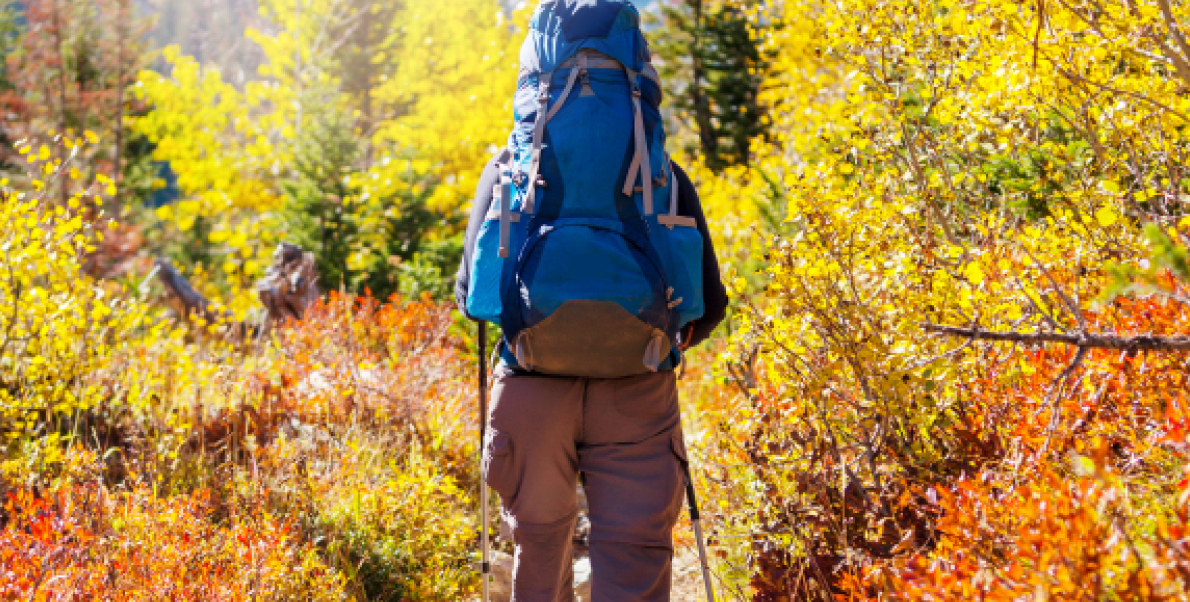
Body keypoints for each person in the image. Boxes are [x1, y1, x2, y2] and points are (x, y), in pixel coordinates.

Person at [455, 154, 727, 601]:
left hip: (530, 385)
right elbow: (710, 304)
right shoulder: (660, 170)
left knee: (540, 545)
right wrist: (655, 343)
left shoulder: (508, 167)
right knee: (634, 555)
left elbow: (472, 298)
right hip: (637, 386)